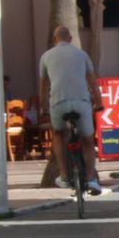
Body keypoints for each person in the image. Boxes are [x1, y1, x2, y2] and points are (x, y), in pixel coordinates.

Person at [38, 25, 103, 196]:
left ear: (55, 39)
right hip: (81, 102)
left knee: (59, 134)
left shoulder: (46, 56)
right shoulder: (82, 55)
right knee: (88, 140)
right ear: (71, 38)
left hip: (58, 102)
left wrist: (43, 106)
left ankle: (65, 175)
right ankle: (91, 179)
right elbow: (92, 83)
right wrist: (99, 103)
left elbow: (44, 86)